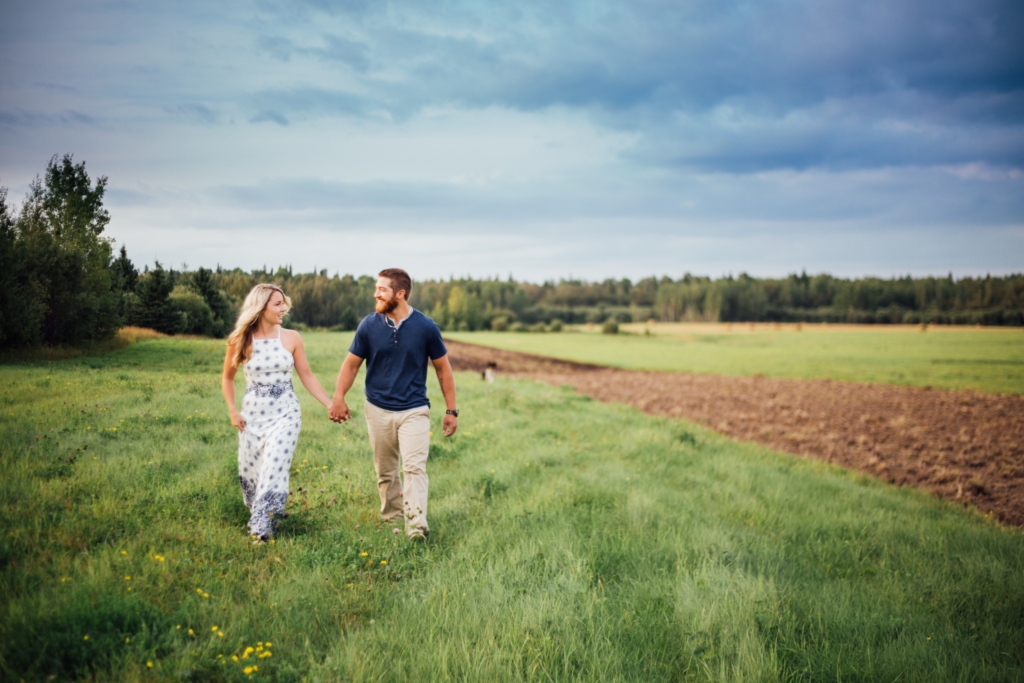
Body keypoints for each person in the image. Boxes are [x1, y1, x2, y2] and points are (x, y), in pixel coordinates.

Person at [329, 268, 458, 541]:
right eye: (377, 288)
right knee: (386, 471)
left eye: (382, 289)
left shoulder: (426, 327)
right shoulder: (369, 325)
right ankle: (392, 519)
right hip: (377, 408)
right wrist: (338, 397)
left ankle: (415, 525)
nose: (376, 293)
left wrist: (451, 410)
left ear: (400, 294)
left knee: (414, 467)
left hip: (414, 410)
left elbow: (443, 370)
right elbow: (352, 365)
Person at [221, 283, 333, 543]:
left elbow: (306, 374)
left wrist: (329, 403)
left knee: (274, 468)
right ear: (261, 307)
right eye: (278, 304)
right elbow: (227, 378)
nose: (284, 308)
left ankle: (262, 528)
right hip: (252, 417)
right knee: (253, 472)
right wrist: (233, 411)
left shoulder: (291, 337)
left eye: (284, 303)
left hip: (286, 415)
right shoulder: (240, 340)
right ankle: (263, 512)